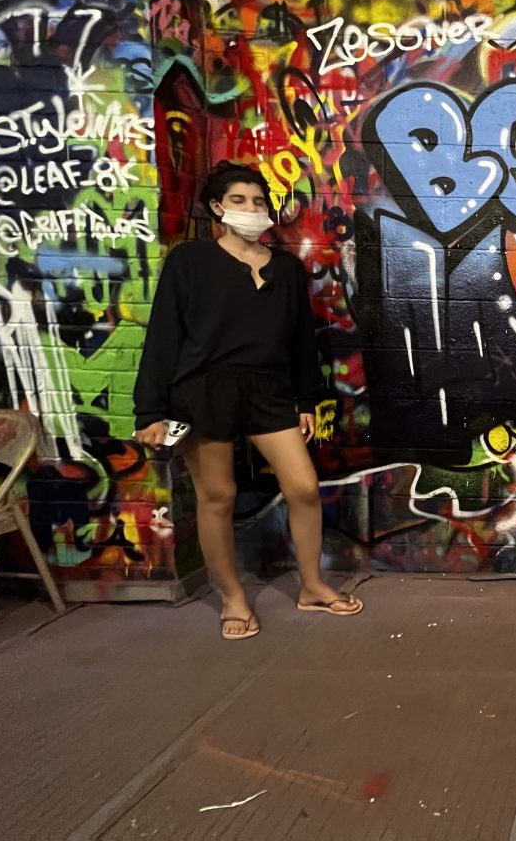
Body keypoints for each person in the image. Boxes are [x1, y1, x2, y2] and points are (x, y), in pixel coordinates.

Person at [133, 162, 363, 640]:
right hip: (204, 390)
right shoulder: (189, 262)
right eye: (239, 201)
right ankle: (233, 599)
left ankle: (313, 586)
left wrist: (306, 399)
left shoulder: (285, 267)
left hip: (269, 390)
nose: (252, 210)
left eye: (258, 201)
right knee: (218, 497)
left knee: (301, 486)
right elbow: (163, 337)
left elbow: (303, 339)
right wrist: (150, 411)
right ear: (218, 208)